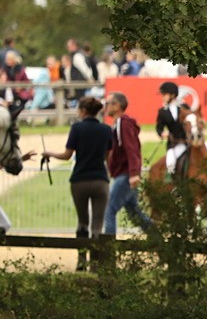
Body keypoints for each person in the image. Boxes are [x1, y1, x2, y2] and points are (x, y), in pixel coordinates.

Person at [41, 97, 112, 271]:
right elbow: (107, 157)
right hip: (100, 180)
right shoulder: (106, 129)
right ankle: (96, 265)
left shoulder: (77, 128)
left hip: (79, 180)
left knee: (82, 222)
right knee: (97, 225)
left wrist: (49, 153)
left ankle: (81, 262)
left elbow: (67, 155)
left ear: (83, 111)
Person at [103, 92, 153, 235]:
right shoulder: (118, 124)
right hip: (125, 174)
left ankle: (108, 246)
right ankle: (158, 238)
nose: (105, 107)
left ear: (117, 106)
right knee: (134, 212)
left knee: (109, 209)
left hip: (126, 175)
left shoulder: (123, 124)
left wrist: (134, 174)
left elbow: (131, 149)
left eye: (107, 103)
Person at [1, 51, 33, 117]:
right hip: (7, 91)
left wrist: (21, 86)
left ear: (14, 60)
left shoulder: (20, 69)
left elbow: (26, 81)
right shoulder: (3, 69)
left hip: (19, 92)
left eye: (9, 59)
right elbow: (4, 81)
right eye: (7, 59)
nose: (7, 61)